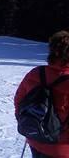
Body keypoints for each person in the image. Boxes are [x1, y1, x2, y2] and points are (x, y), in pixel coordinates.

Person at [14, 30, 69, 158]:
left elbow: (19, 102)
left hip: (36, 140)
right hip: (61, 149)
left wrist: (29, 124)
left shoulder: (35, 73)